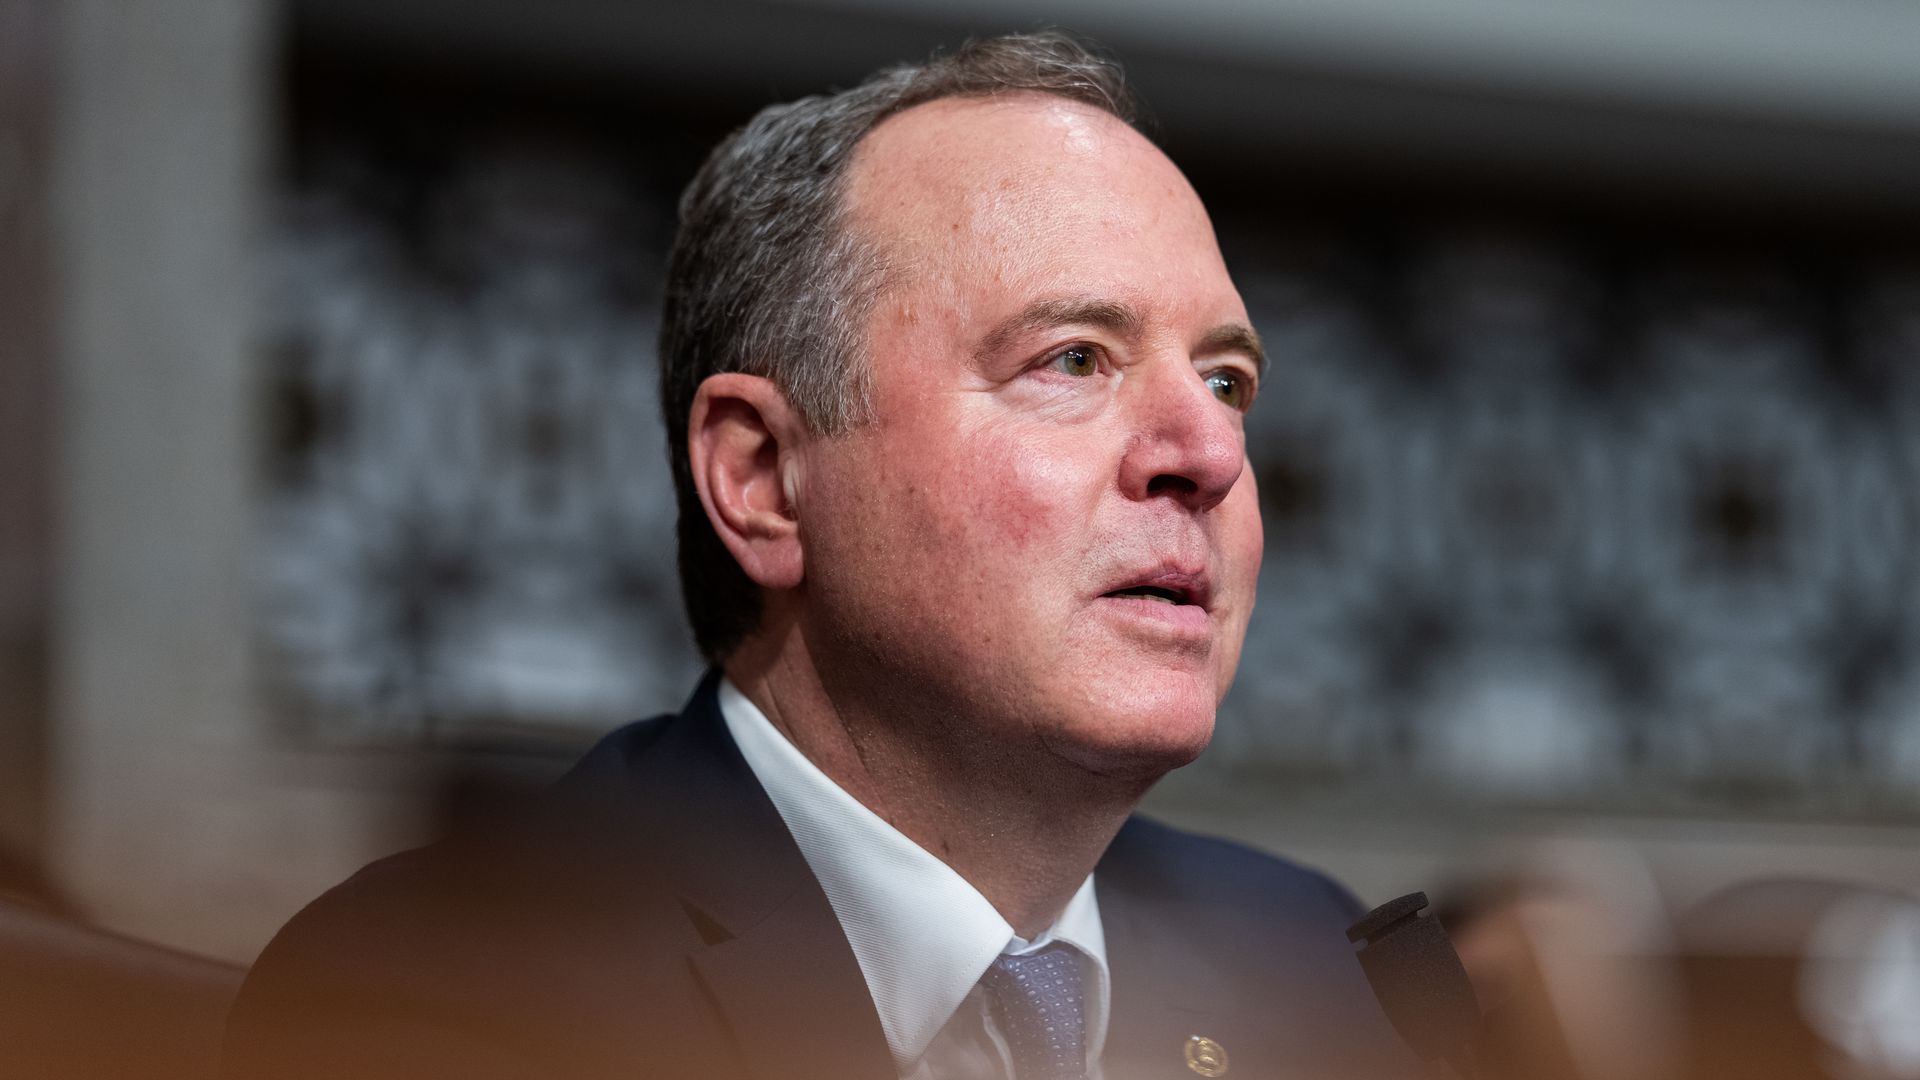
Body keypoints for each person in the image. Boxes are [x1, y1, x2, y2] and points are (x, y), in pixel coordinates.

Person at [222, 31, 1413, 1080]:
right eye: (1073, 359)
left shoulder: (1313, 969)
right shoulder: (445, 988)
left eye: (1227, 381)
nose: (1209, 451)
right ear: (763, 480)